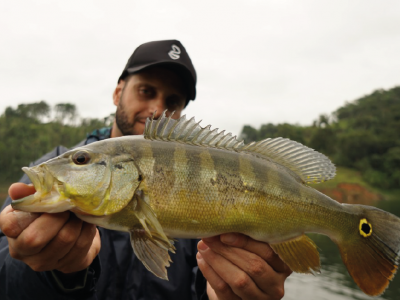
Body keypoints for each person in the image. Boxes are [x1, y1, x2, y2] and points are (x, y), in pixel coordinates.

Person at [0, 40, 292, 300]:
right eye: (146, 90)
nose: (156, 109)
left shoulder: (205, 176)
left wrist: (225, 293)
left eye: (172, 102)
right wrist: (47, 272)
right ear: (118, 92)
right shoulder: (58, 163)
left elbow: (203, 285)